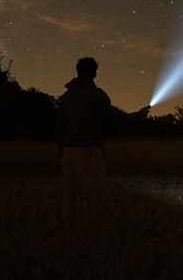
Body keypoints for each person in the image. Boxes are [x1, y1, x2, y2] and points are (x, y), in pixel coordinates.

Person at [56, 56, 149, 248]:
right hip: (89, 152)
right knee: (94, 199)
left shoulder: (65, 98)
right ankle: (93, 246)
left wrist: (62, 149)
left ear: (78, 71)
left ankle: (66, 243)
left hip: (67, 152)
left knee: (68, 198)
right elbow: (114, 118)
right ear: (94, 73)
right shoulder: (96, 95)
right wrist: (138, 117)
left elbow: (58, 127)